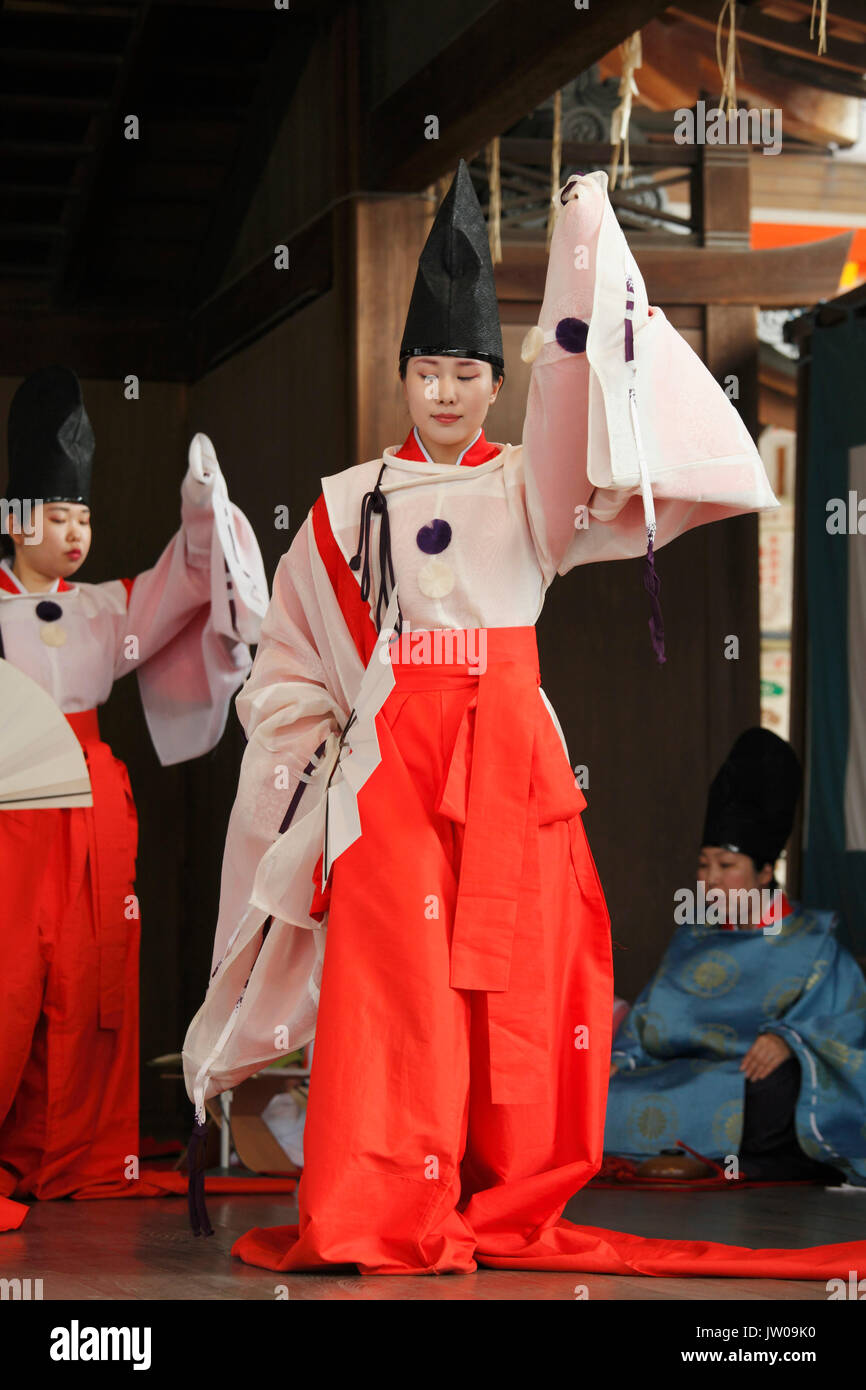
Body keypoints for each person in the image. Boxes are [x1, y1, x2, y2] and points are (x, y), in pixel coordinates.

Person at [183, 164, 866, 1278]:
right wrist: (317, 750)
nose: (445, 392)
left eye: (465, 371)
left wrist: (586, 247)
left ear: (491, 384)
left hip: (507, 746)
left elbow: (637, 433)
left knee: (527, 977)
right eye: (426, 370)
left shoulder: (524, 489)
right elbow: (291, 660)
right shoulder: (345, 499)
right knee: (392, 981)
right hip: (392, 758)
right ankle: (379, 1204)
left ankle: (505, 1194)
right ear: (400, 375)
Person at [0, 367, 266, 1231]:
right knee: (8, 987)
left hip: (90, 814)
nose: (74, 532)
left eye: (82, 516)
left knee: (90, 987)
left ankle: (75, 1149)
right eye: (54, 514)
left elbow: (187, 584)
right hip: (9, 815)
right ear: (11, 520)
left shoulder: (100, 609)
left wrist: (203, 506)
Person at [606, 727, 866, 1187]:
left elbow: (847, 1027)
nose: (710, 880)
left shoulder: (813, 940)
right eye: (704, 866)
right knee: (598, 1089)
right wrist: (620, 1058)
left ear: (765, 871)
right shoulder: (693, 936)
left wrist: (790, 1040)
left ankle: (759, 1157)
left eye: (726, 867)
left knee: (775, 1090)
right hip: (680, 1071)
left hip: (749, 1082)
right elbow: (648, 1019)